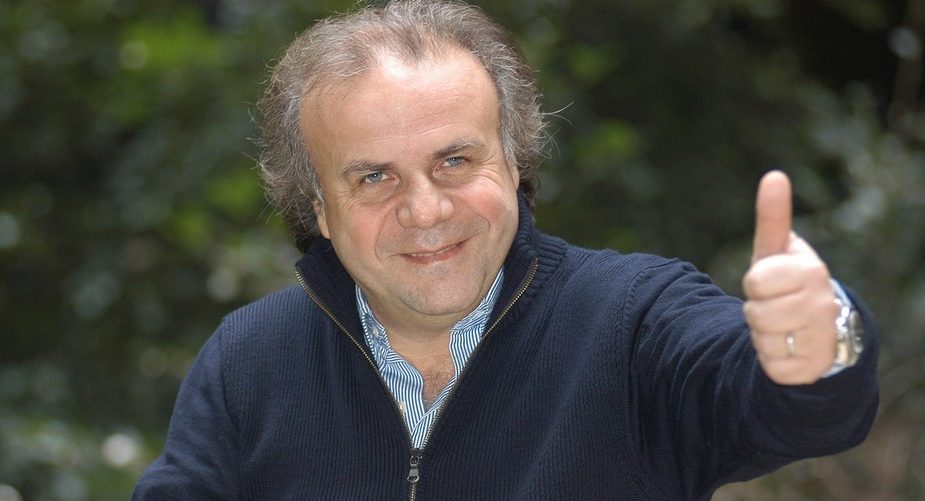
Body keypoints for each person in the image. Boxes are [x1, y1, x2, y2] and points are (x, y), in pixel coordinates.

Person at [132, 1, 878, 499]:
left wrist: (817, 346)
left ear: (515, 162)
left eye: (455, 160)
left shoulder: (631, 322)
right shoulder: (247, 361)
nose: (425, 210)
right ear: (320, 210)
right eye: (374, 177)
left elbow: (787, 408)